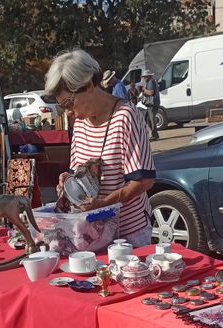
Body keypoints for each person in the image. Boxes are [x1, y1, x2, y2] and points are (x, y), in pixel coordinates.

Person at [46, 49, 156, 248]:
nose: (69, 113)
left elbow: (144, 181)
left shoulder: (125, 116)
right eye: (63, 107)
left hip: (127, 236)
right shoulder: (79, 123)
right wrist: (68, 181)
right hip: (89, 235)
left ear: (88, 86)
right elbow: (79, 173)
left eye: (70, 104)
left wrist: (105, 204)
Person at [140, 69, 160, 141]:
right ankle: (155, 134)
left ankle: (155, 135)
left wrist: (144, 90)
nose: (144, 78)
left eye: (145, 77)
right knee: (149, 119)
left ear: (148, 76)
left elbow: (151, 93)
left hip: (152, 103)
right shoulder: (151, 81)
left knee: (151, 119)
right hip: (153, 103)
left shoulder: (150, 82)